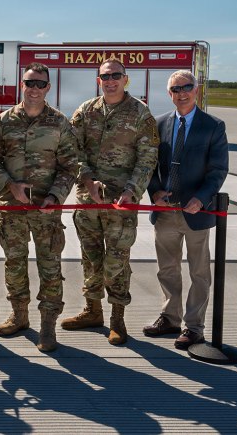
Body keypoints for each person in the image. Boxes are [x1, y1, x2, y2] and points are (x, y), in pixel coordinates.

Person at [60, 59, 159, 345]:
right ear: (98, 80)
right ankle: (92, 310)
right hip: (88, 199)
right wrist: (88, 180)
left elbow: (148, 157)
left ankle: (117, 318)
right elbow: (72, 149)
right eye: (106, 76)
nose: (111, 80)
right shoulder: (85, 111)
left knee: (117, 259)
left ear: (125, 79)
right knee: (90, 257)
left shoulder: (141, 113)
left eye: (116, 75)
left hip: (121, 202)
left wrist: (132, 191)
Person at [0, 62, 78, 352]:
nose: (34, 88)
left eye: (40, 84)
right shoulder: (4, 122)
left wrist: (55, 196)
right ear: (21, 85)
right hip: (12, 207)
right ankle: (19, 315)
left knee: (50, 266)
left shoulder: (60, 123)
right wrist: (9, 186)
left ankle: (48, 325)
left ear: (48, 87)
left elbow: (69, 166)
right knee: (14, 264)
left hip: (46, 210)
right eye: (29, 83)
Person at [142, 70, 229, 350]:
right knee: (167, 270)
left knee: (199, 273)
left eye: (187, 87)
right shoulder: (159, 124)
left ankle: (194, 328)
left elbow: (218, 170)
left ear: (196, 90)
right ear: (169, 94)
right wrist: (153, 191)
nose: (182, 93)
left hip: (196, 213)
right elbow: (149, 165)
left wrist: (201, 198)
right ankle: (169, 318)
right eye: (176, 89)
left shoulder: (213, 126)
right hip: (165, 212)